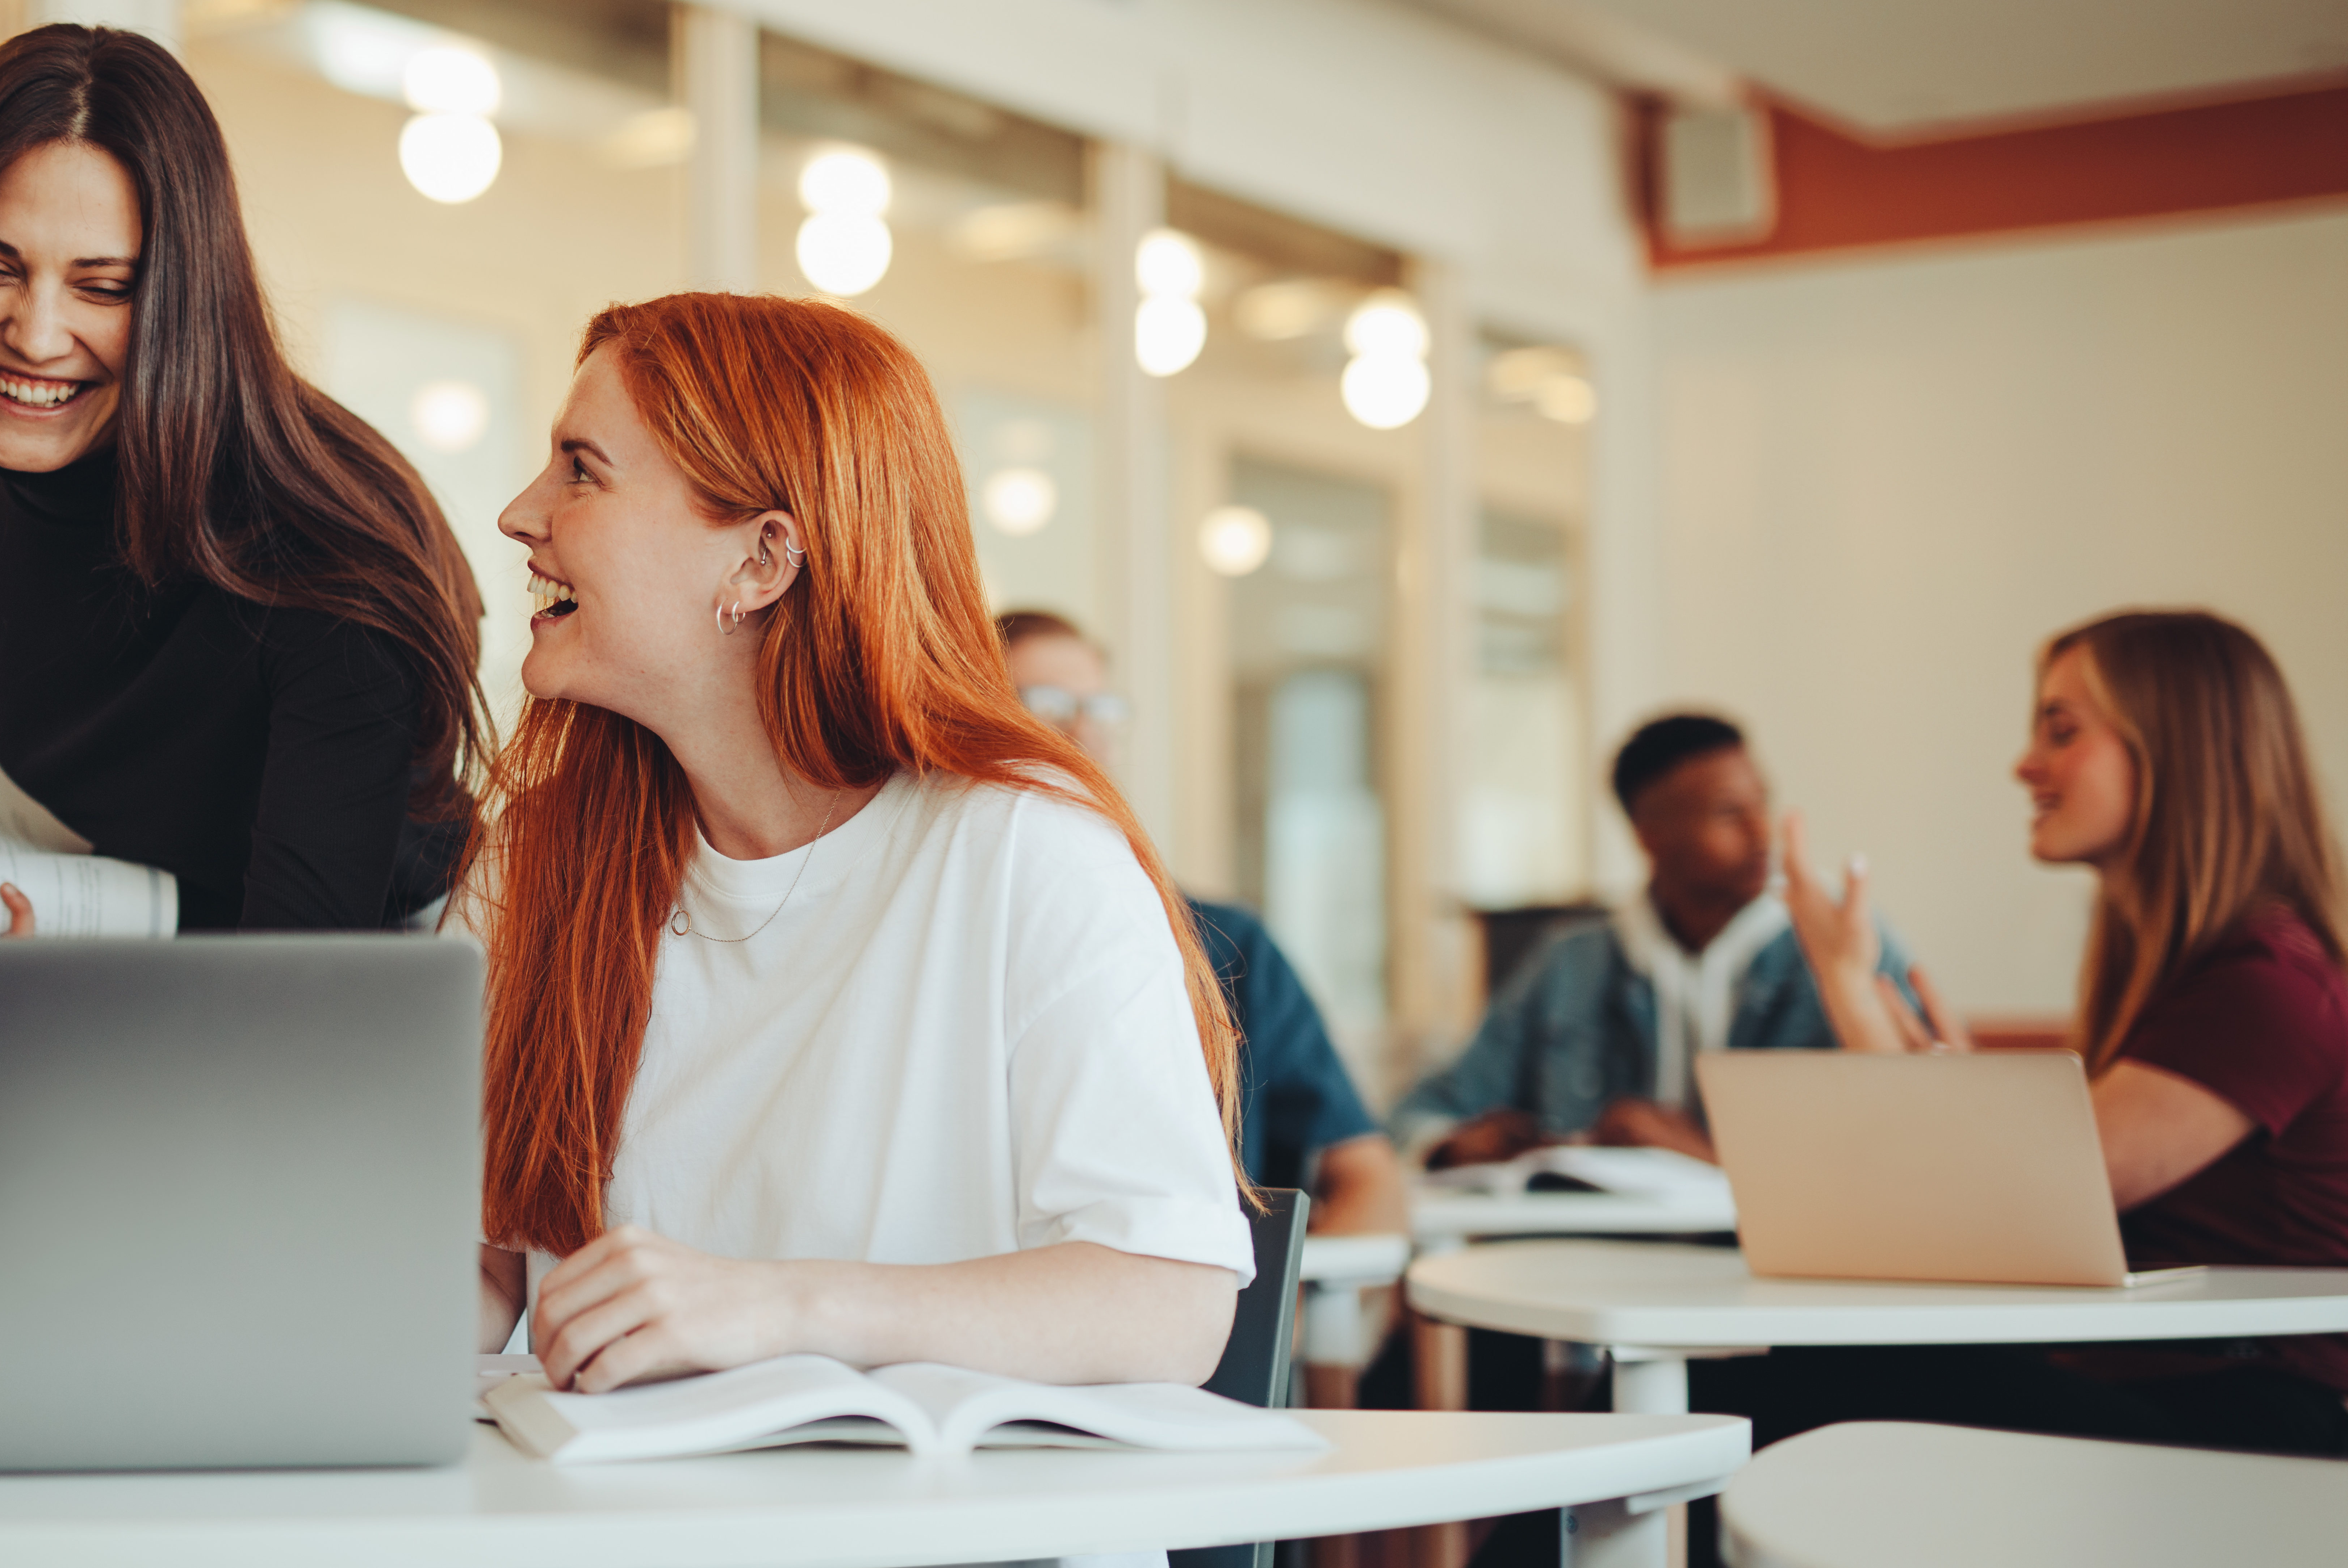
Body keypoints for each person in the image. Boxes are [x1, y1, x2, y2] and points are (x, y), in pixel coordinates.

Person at [463, 294, 1252, 1469]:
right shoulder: (536, 863)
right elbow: (481, 1275)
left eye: (583, 470)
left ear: (764, 558)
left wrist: (784, 1310)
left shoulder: (1027, 849)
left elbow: (1170, 1301)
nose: (521, 513)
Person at [0, 24, 486, 931]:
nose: (37, 336)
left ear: (183, 299)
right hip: (140, 967)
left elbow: (290, 1005)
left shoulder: (322, 568)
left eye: (104, 286)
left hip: (353, 1003)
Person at [1746, 609, 2348, 1456]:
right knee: (1793, 1380)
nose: (2024, 764)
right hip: (2147, 1387)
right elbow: (1984, 1196)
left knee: (1772, 1396)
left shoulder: (2270, 984)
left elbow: (2000, 1207)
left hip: (2247, 1422)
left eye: (2061, 730)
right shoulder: (2180, 976)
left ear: (2177, 747)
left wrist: (1849, 983)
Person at [996, 608, 1404, 1236]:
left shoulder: (1230, 946)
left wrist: (1277, 1308)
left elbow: (1369, 1175)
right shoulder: (951, 938)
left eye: (1101, 711)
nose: (1082, 734)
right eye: (1046, 704)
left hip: (1210, 1313)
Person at [1394, 713, 1925, 1167]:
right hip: (1595, 1262)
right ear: (1650, 834)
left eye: (1762, 804)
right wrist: (1460, 1145)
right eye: (1728, 812)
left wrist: (1696, 1152)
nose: (1763, 834)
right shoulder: (1572, 963)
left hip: (1781, 1261)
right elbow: (1421, 1113)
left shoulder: (1842, 946)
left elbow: (1915, 1147)